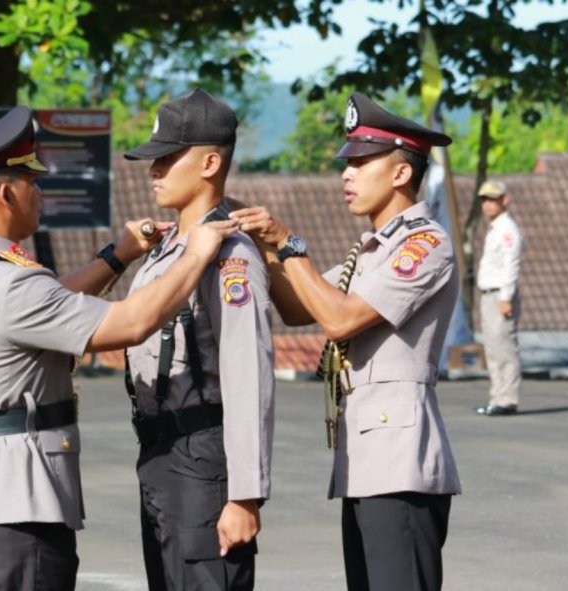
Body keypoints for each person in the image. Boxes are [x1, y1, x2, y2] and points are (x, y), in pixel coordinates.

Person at [0, 105, 238, 590]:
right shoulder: (11, 285)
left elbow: (50, 306)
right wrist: (195, 254)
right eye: (32, 182)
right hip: (14, 515)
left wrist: (118, 255)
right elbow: (131, 323)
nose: (40, 194)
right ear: (6, 193)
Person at [231, 92, 461, 591]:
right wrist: (261, 246)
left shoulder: (425, 243)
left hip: (401, 463)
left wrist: (291, 244)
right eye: (347, 163)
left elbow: (338, 320)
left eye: (361, 162)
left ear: (401, 173)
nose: (347, 174)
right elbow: (297, 308)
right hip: (367, 463)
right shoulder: (373, 249)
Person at [122, 88, 275, 590]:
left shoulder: (228, 253)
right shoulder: (168, 249)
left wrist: (245, 494)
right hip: (161, 453)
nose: (155, 171)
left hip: (204, 459)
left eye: (168, 158)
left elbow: (246, 371)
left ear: (211, 162)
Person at [473, 180, 524, 416]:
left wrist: (506, 297)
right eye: (484, 200)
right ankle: (497, 398)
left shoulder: (507, 230)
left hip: (499, 296)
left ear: (505, 200)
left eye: (492, 199)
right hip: (488, 295)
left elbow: (510, 265)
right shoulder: (496, 228)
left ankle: (507, 400)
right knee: (493, 349)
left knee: (504, 349)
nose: (487, 205)